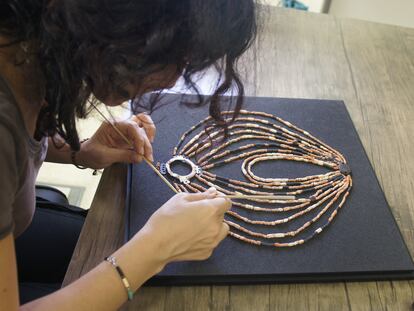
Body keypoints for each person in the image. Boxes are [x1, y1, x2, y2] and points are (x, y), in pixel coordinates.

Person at [0, 0, 257, 309]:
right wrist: (157, 248)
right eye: (176, 56)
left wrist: (78, 150)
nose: (174, 80)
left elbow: (17, 146)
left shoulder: (32, 39)